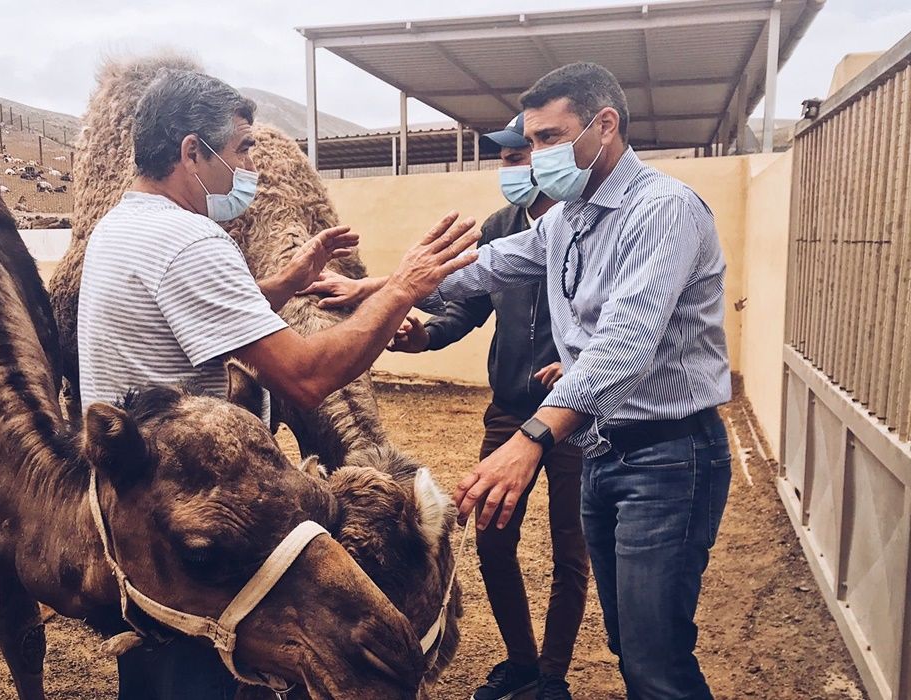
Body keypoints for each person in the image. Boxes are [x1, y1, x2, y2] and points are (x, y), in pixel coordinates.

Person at [75, 68, 479, 700]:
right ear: (191, 153)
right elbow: (307, 377)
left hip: (144, 529)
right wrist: (403, 288)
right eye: (239, 151)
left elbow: (190, 311)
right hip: (205, 538)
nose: (247, 170)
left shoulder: (123, 227)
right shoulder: (190, 240)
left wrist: (287, 284)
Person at [432, 63, 732, 700]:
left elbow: (623, 344)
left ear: (604, 126)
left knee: (656, 661)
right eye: (532, 141)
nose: (537, 156)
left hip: (669, 456)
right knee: (631, 645)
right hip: (606, 451)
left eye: (549, 138)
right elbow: (489, 266)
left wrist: (531, 437)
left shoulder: (661, 209)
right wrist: (381, 289)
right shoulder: (571, 218)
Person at [301, 113, 588, 700]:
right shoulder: (502, 227)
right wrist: (424, 335)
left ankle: (553, 678)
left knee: (569, 548)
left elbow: (613, 320)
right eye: (508, 158)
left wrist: (580, 367)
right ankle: (521, 662)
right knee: (490, 537)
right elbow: (467, 306)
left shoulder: (584, 228)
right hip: (509, 411)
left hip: (574, 412)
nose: (514, 166)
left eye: (525, 153)